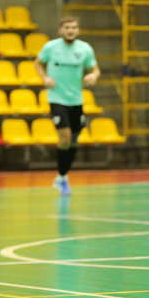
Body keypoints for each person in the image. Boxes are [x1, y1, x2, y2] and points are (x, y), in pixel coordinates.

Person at [35, 16, 100, 195]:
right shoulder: (51, 47)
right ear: (60, 30)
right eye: (67, 27)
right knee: (64, 138)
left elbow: (95, 69)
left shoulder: (85, 49)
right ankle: (63, 177)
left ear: (77, 30)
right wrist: (44, 78)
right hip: (57, 98)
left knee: (74, 140)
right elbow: (38, 62)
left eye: (73, 27)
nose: (70, 30)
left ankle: (61, 176)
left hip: (76, 100)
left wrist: (93, 76)